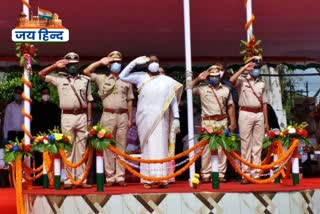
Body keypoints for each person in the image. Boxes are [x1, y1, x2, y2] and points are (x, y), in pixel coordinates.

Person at [119, 55, 183, 188]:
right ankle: (147, 179)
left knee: (161, 146)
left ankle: (162, 179)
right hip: (144, 119)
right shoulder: (140, 76)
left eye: (156, 61)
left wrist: (176, 117)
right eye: (151, 61)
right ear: (146, 64)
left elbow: (172, 101)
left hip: (160, 118)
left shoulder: (166, 80)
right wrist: (134, 62)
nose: (153, 63)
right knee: (147, 148)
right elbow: (122, 76)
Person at [38, 52, 93, 189]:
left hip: (81, 116)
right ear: (66, 66)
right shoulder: (59, 79)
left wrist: (90, 119)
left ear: (78, 65)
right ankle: (68, 180)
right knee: (67, 148)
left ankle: (81, 179)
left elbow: (89, 100)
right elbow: (41, 75)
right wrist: (54, 65)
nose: (73, 67)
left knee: (81, 149)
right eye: (70, 65)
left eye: (75, 64)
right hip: (67, 116)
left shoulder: (86, 80)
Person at [84, 51, 134, 187]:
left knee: (121, 147)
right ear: (108, 65)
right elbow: (86, 71)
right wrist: (100, 61)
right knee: (108, 147)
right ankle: (110, 177)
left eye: (118, 61)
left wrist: (130, 118)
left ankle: (120, 177)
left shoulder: (127, 80)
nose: (116, 64)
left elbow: (130, 100)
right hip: (108, 115)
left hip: (123, 115)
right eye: (113, 62)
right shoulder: (102, 78)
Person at [192, 64, 236, 183]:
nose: (214, 78)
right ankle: (205, 173)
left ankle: (221, 173)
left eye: (216, 76)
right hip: (208, 121)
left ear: (219, 76)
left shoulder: (226, 90)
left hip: (222, 120)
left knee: (222, 148)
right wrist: (198, 78)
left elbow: (230, 106)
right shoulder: (202, 88)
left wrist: (233, 122)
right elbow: (187, 89)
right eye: (211, 76)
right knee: (206, 148)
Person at [230, 56, 269, 184]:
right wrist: (244, 68)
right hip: (245, 112)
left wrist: (266, 121)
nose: (256, 69)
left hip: (259, 114)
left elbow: (264, 103)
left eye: (258, 67)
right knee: (245, 144)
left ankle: (256, 173)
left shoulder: (262, 83)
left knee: (257, 144)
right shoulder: (242, 80)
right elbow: (231, 80)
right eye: (254, 67)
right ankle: (245, 173)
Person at [31, 86, 61, 185]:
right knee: (39, 159)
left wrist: (56, 135)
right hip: (38, 137)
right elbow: (32, 123)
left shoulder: (54, 107)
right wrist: (34, 136)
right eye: (44, 93)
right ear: (41, 95)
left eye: (47, 93)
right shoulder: (35, 107)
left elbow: (58, 123)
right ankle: (39, 180)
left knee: (51, 158)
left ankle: (50, 179)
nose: (45, 95)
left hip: (51, 138)